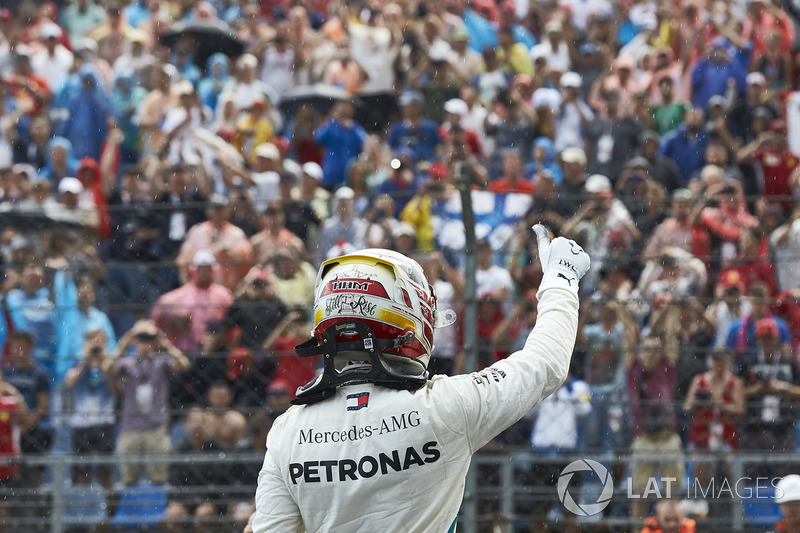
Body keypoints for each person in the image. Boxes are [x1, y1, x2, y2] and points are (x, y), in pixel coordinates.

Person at [252, 227, 590, 531]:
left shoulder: (288, 430)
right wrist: (562, 278)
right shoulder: (446, 406)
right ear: (410, 316)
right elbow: (545, 364)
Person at [112, 319, 190, 486]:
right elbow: (106, 368)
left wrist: (164, 343)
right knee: (128, 479)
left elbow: (184, 364)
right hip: (131, 425)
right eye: (141, 338)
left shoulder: (161, 361)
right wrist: (125, 343)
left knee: (158, 478)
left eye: (148, 339)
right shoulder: (127, 362)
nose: (145, 343)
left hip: (156, 426)